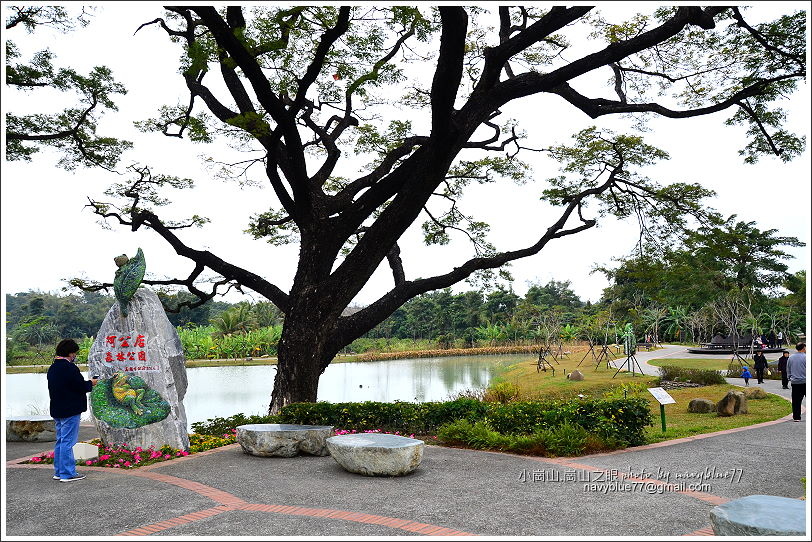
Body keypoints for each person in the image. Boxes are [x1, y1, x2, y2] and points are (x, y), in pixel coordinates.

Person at [47, 339, 98, 482]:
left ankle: (59, 471)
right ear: (70, 353)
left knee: (61, 441)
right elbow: (80, 386)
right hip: (70, 410)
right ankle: (68, 473)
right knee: (68, 442)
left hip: (58, 409)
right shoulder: (70, 368)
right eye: (74, 352)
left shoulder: (53, 368)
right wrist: (91, 383)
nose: (75, 355)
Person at [787, 343, 806, 422]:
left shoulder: (790, 358)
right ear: (803, 348)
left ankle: (796, 417)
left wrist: (789, 378)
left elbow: (788, 369)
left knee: (796, 400)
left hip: (795, 382)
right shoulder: (806, 357)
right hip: (805, 381)